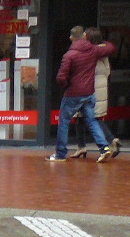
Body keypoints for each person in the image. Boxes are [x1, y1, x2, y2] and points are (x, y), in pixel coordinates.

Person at [50, 25, 115, 162]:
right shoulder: (94, 50)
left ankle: (60, 154)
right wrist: (103, 42)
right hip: (89, 92)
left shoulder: (69, 55)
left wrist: (67, 86)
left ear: (71, 38)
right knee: (92, 121)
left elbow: (61, 77)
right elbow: (111, 48)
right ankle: (104, 148)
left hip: (73, 94)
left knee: (64, 122)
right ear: (84, 36)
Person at [71, 28, 120, 160]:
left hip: (90, 89)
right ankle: (81, 147)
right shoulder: (104, 53)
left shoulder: (91, 52)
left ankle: (110, 141)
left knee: (93, 118)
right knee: (81, 117)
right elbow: (107, 72)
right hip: (101, 88)